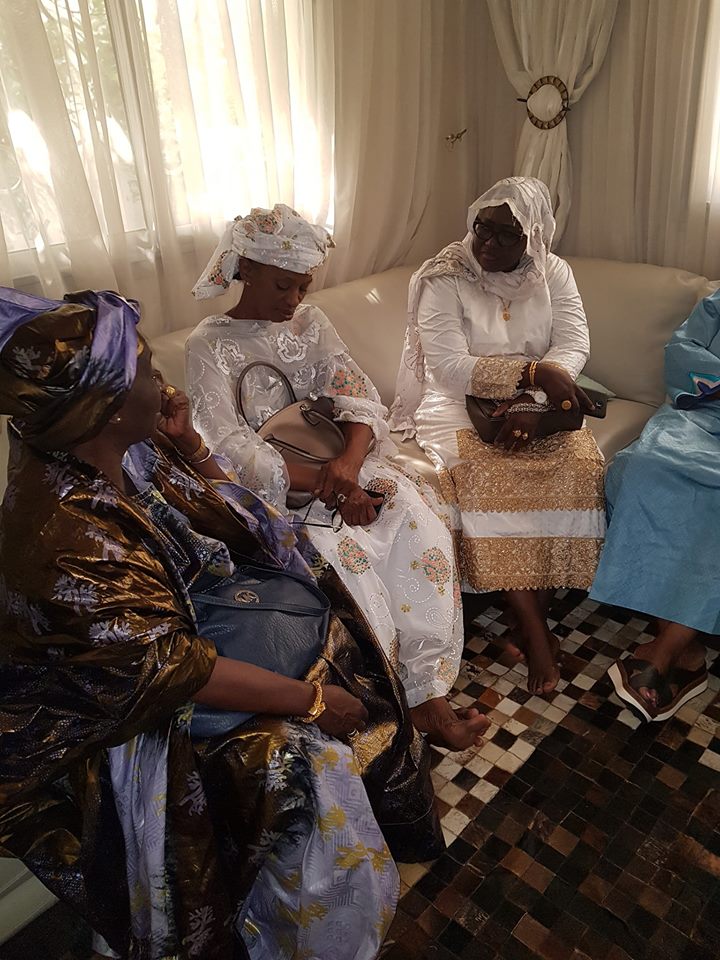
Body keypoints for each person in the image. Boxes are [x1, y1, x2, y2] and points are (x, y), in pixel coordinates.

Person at [0, 286, 446, 960]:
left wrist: (190, 447)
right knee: (299, 766)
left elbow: (254, 530)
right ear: (108, 407)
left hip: (182, 647)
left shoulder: (130, 452)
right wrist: (314, 702)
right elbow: (171, 672)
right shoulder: (63, 534)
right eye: (149, 373)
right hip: (118, 721)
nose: (164, 385)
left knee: (338, 611)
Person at [187, 203, 487, 750]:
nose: (293, 301)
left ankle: (428, 692)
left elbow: (359, 398)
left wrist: (348, 470)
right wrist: (328, 479)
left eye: (302, 287)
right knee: (351, 566)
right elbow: (225, 447)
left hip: (342, 468)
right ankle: (391, 701)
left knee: (418, 526)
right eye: (282, 286)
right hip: (277, 497)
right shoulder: (208, 344)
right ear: (245, 269)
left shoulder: (311, 322)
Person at [389, 177, 606, 696]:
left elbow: (574, 343)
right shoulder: (444, 275)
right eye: (482, 227)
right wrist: (529, 377)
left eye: (506, 235)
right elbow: (446, 368)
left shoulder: (553, 271)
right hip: (457, 406)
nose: (487, 242)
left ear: (532, 237)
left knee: (577, 467)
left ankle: (523, 615)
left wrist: (533, 401)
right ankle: (535, 633)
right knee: (491, 476)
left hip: (535, 402)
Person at [589, 290, 719, 721]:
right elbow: (683, 349)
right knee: (641, 469)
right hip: (699, 415)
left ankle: (661, 655)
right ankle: (688, 653)